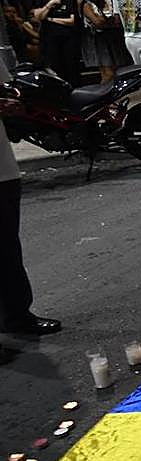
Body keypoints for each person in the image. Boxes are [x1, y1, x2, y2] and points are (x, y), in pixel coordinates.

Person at [0, 56, 61, 336]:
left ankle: (17, 315)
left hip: (2, 169)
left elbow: (6, 89)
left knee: (7, 246)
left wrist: (11, 105)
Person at [75, 0, 129, 83]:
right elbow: (98, 22)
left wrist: (106, 21)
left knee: (116, 71)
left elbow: (116, 19)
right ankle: (104, 95)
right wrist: (107, 21)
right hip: (97, 38)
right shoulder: (83, 2)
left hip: (111, 37)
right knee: (108, 73)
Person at [31, 0, 80, 86]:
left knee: (72, 66)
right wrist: (49, 5)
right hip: (50, 40)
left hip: (68, 38)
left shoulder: (67, 0)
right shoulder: (41, 1)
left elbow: (72, 21)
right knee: (57, 66)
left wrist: (51, 19)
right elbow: (39, 16)